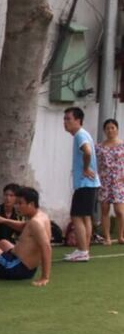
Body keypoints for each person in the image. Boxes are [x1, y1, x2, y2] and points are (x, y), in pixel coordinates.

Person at [63, 107, 100, 262]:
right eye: (64, 119)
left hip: (85, 183)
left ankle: (83, 251)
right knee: (85, 217)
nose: (65, 122)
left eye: (68, 119)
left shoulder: (80, 135)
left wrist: (85, 168)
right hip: (90, 184)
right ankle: (83, 249)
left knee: (76, 216)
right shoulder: (83, 134)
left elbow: (87, 152)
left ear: (78, 120)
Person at [95, 118, 124, 245]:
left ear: (117, 129)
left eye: (113, 127)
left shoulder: (123, 145)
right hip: (104, 181)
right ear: (104, 131)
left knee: (119, 211)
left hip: (119, 180)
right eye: (108, 128)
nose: (110, 130)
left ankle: (121, 236)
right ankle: (107, 237)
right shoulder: (99, 147)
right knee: (105, 209)